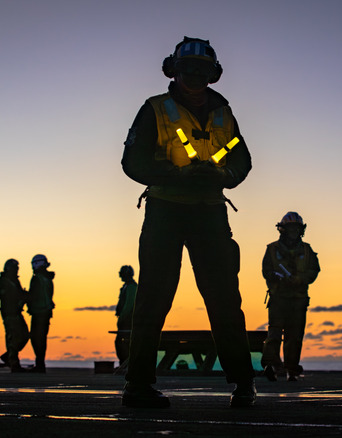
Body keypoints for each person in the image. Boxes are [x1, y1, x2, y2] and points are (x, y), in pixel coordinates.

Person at [121, 37, 256, 408]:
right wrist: (172, 176)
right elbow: (133, 162)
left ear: (212, 76)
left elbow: (242, 157)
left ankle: (244, 384)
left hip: (210, 212)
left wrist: (223, 176)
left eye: (201, 71)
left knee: (225, 299)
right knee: (153, 300)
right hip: (166, 210)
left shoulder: (224, 114)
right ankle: (137, 386)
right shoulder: (155, 109)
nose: (194, 78)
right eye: (188, 70)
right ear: (174, 71)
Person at [261, 212, 320, 382]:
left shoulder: (307, 250)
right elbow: (266, 271)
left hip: (298, 299)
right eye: (290, 228)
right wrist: (276, 277)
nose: (293, 231)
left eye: (296, 228)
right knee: (274, 334)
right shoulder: (272, 249)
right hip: (278, 298)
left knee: (294, 336)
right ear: (283, 230)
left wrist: (299, 280)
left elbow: (313, 271)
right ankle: (270, 366)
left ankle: (291, 369)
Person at [0, 258, 30, 373]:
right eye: (14, 268)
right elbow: (9, 298)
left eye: (17, 268)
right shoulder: (4, 282)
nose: (16, 270)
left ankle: (9, 357)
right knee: (13, 339)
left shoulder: (14, 281)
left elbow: (18, 294)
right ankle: (14, 364)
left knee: (25, 336)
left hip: (16, 312)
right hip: (10, 314)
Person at [28, 254, 55, 373]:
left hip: (38, 312)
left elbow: (33, 295)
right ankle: (40, 363)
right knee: (41, 339)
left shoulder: (37, 279)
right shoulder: (48, 279)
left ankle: (39, 364)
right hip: (46, 313)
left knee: (36, 339)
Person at [115, 265, 137, 366]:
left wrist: (122, 319)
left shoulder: (132, 287)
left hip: (128, 322)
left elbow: (129, 305)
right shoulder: (126, 286)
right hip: (125, 321)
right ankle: (124, 365)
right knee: (121, 343)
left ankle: (126, 365)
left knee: (123, 344)